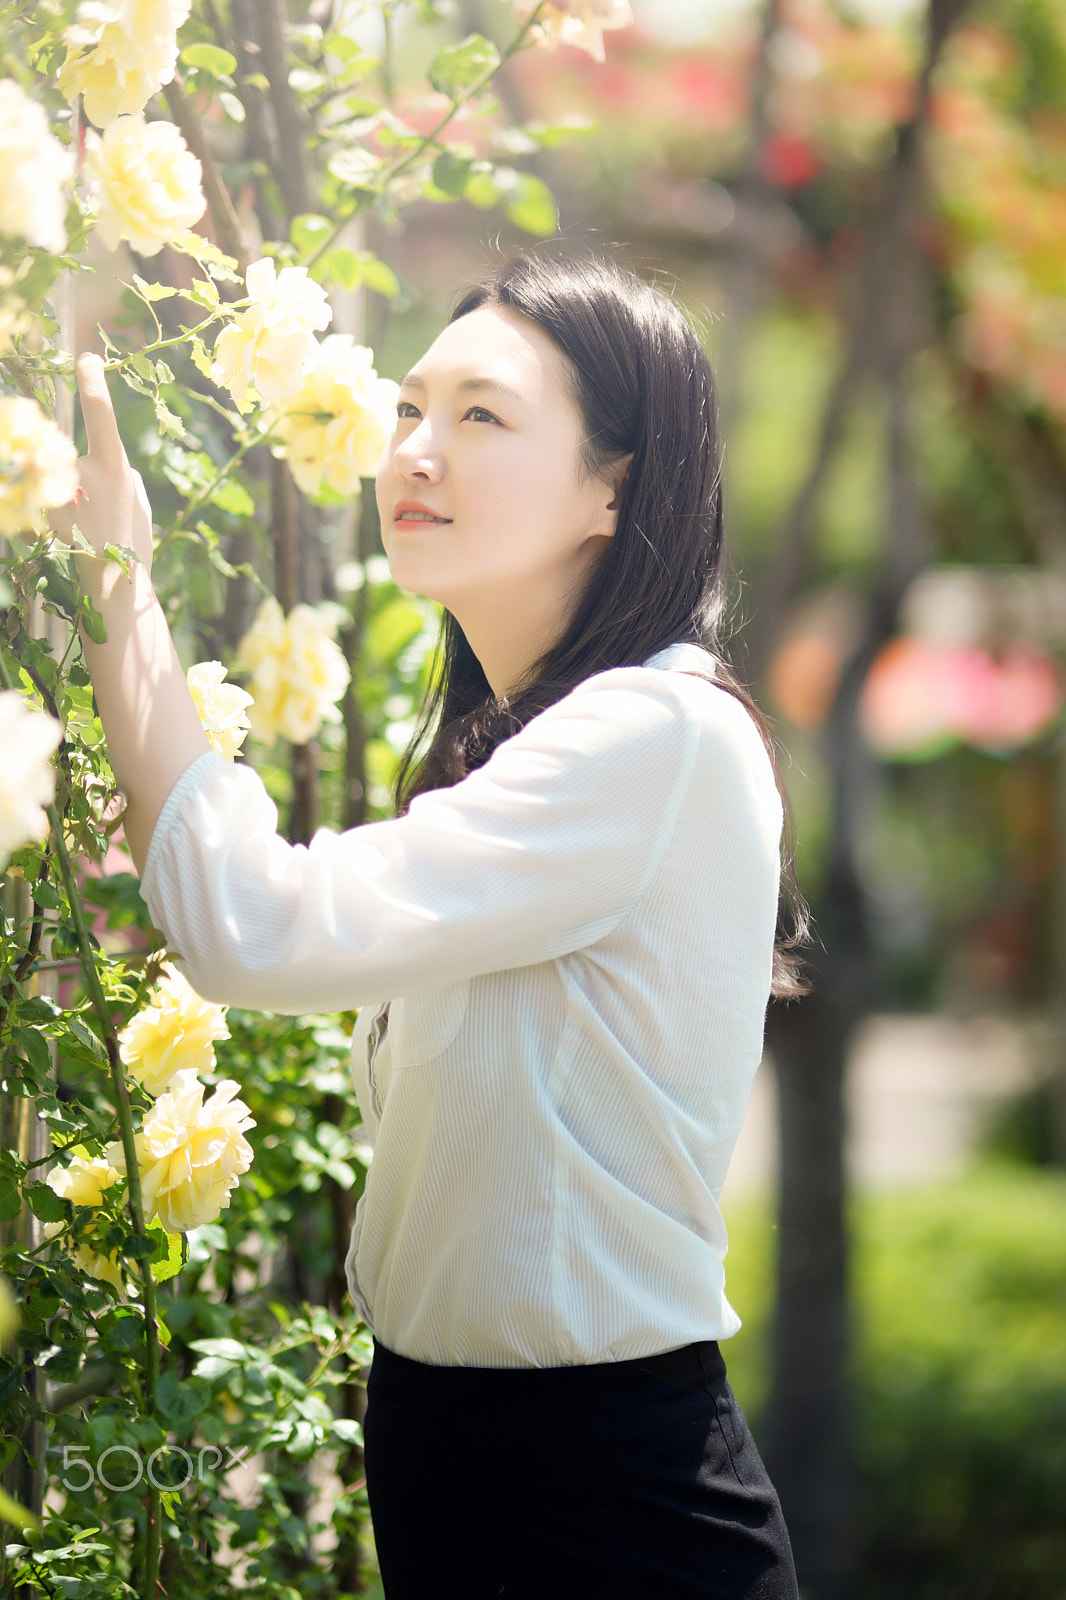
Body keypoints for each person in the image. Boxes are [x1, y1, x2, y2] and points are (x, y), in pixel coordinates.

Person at [56, 251, 803, 1599]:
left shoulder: (656, 734)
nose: (415, 450)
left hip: (602, 1500)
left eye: (482, 415)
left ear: (613, 484)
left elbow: (255, 928)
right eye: (409, 409)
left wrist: (120, 578)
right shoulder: (527, 749)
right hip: (463, 1458)